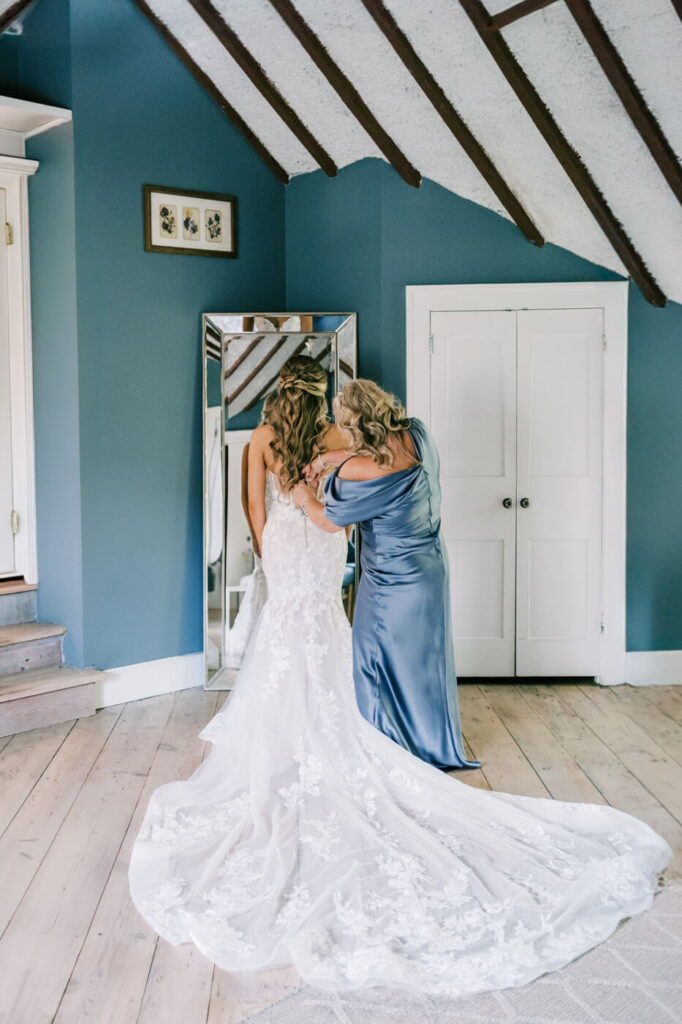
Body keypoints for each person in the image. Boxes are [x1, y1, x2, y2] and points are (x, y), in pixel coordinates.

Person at [128, 365, 671, 999]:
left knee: (289, 637)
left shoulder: (260, 439)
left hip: (290, 541)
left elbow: (254, 505)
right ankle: (364, 730)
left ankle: (296, 744)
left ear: (278, 396)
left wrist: (270, 548)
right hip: (323, 545)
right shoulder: (338, 435)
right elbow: (349, 507)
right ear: (321, 398)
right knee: (328, 629)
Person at [294, 379, 476, 770]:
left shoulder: (359, 470)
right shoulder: (417, 434)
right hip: (430, 571)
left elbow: (328, 520)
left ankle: (387, 749)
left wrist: (303, 497)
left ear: (353, 424)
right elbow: (374, 456)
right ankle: (430, 745)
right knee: (424, 665)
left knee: (375, 662)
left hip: (390, 584)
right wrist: (328, 459)